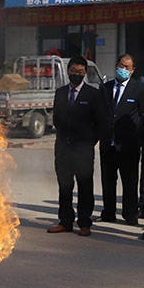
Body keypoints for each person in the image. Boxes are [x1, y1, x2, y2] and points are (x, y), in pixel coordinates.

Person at [48, 56, 102, 237]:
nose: (76, 75)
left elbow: (99, 123)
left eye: (80, 72)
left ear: (85, 73)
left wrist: (88, 142)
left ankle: (85, 223)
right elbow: (56, 120)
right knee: (65, 186)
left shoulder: (93, 94)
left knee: (85, 187)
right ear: (68, 71)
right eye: (73, 71)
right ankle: (65, 221)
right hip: (63, 149)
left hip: (83, 151)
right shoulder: (61, 93)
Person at [99, 54, 144, 226]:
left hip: (129, 145)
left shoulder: (139, 89)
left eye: (127, 67)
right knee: (108, 181)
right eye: (121, 65)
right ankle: (108, 213)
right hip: (108, 144)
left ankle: (130, 214)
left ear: (132, 71)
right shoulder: (105, 88)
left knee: (129, 182)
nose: (123, 69)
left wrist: (138, 138)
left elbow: (143, 115)